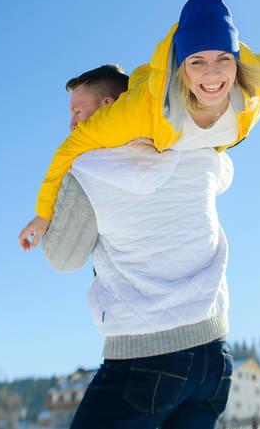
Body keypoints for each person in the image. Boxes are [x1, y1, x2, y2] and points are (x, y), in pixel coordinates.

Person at [19, 0, 260, 249]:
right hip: (146, 96)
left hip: (199, 144)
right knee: (125, 111)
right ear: (182, 66)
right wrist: (43, 212)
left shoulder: (259, 82)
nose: (212, 75)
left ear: (235, 59)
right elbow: (73, 145)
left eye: (222, 59)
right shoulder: (142, 111)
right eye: (197, 62)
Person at [40, 65, 235, 429]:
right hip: (213, 355)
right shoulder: (195, 148)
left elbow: (62, 257)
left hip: (143, 360)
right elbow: (224, 172)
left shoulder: (90, 171)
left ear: (109, 106)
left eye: (77, 113)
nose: (71, 125)